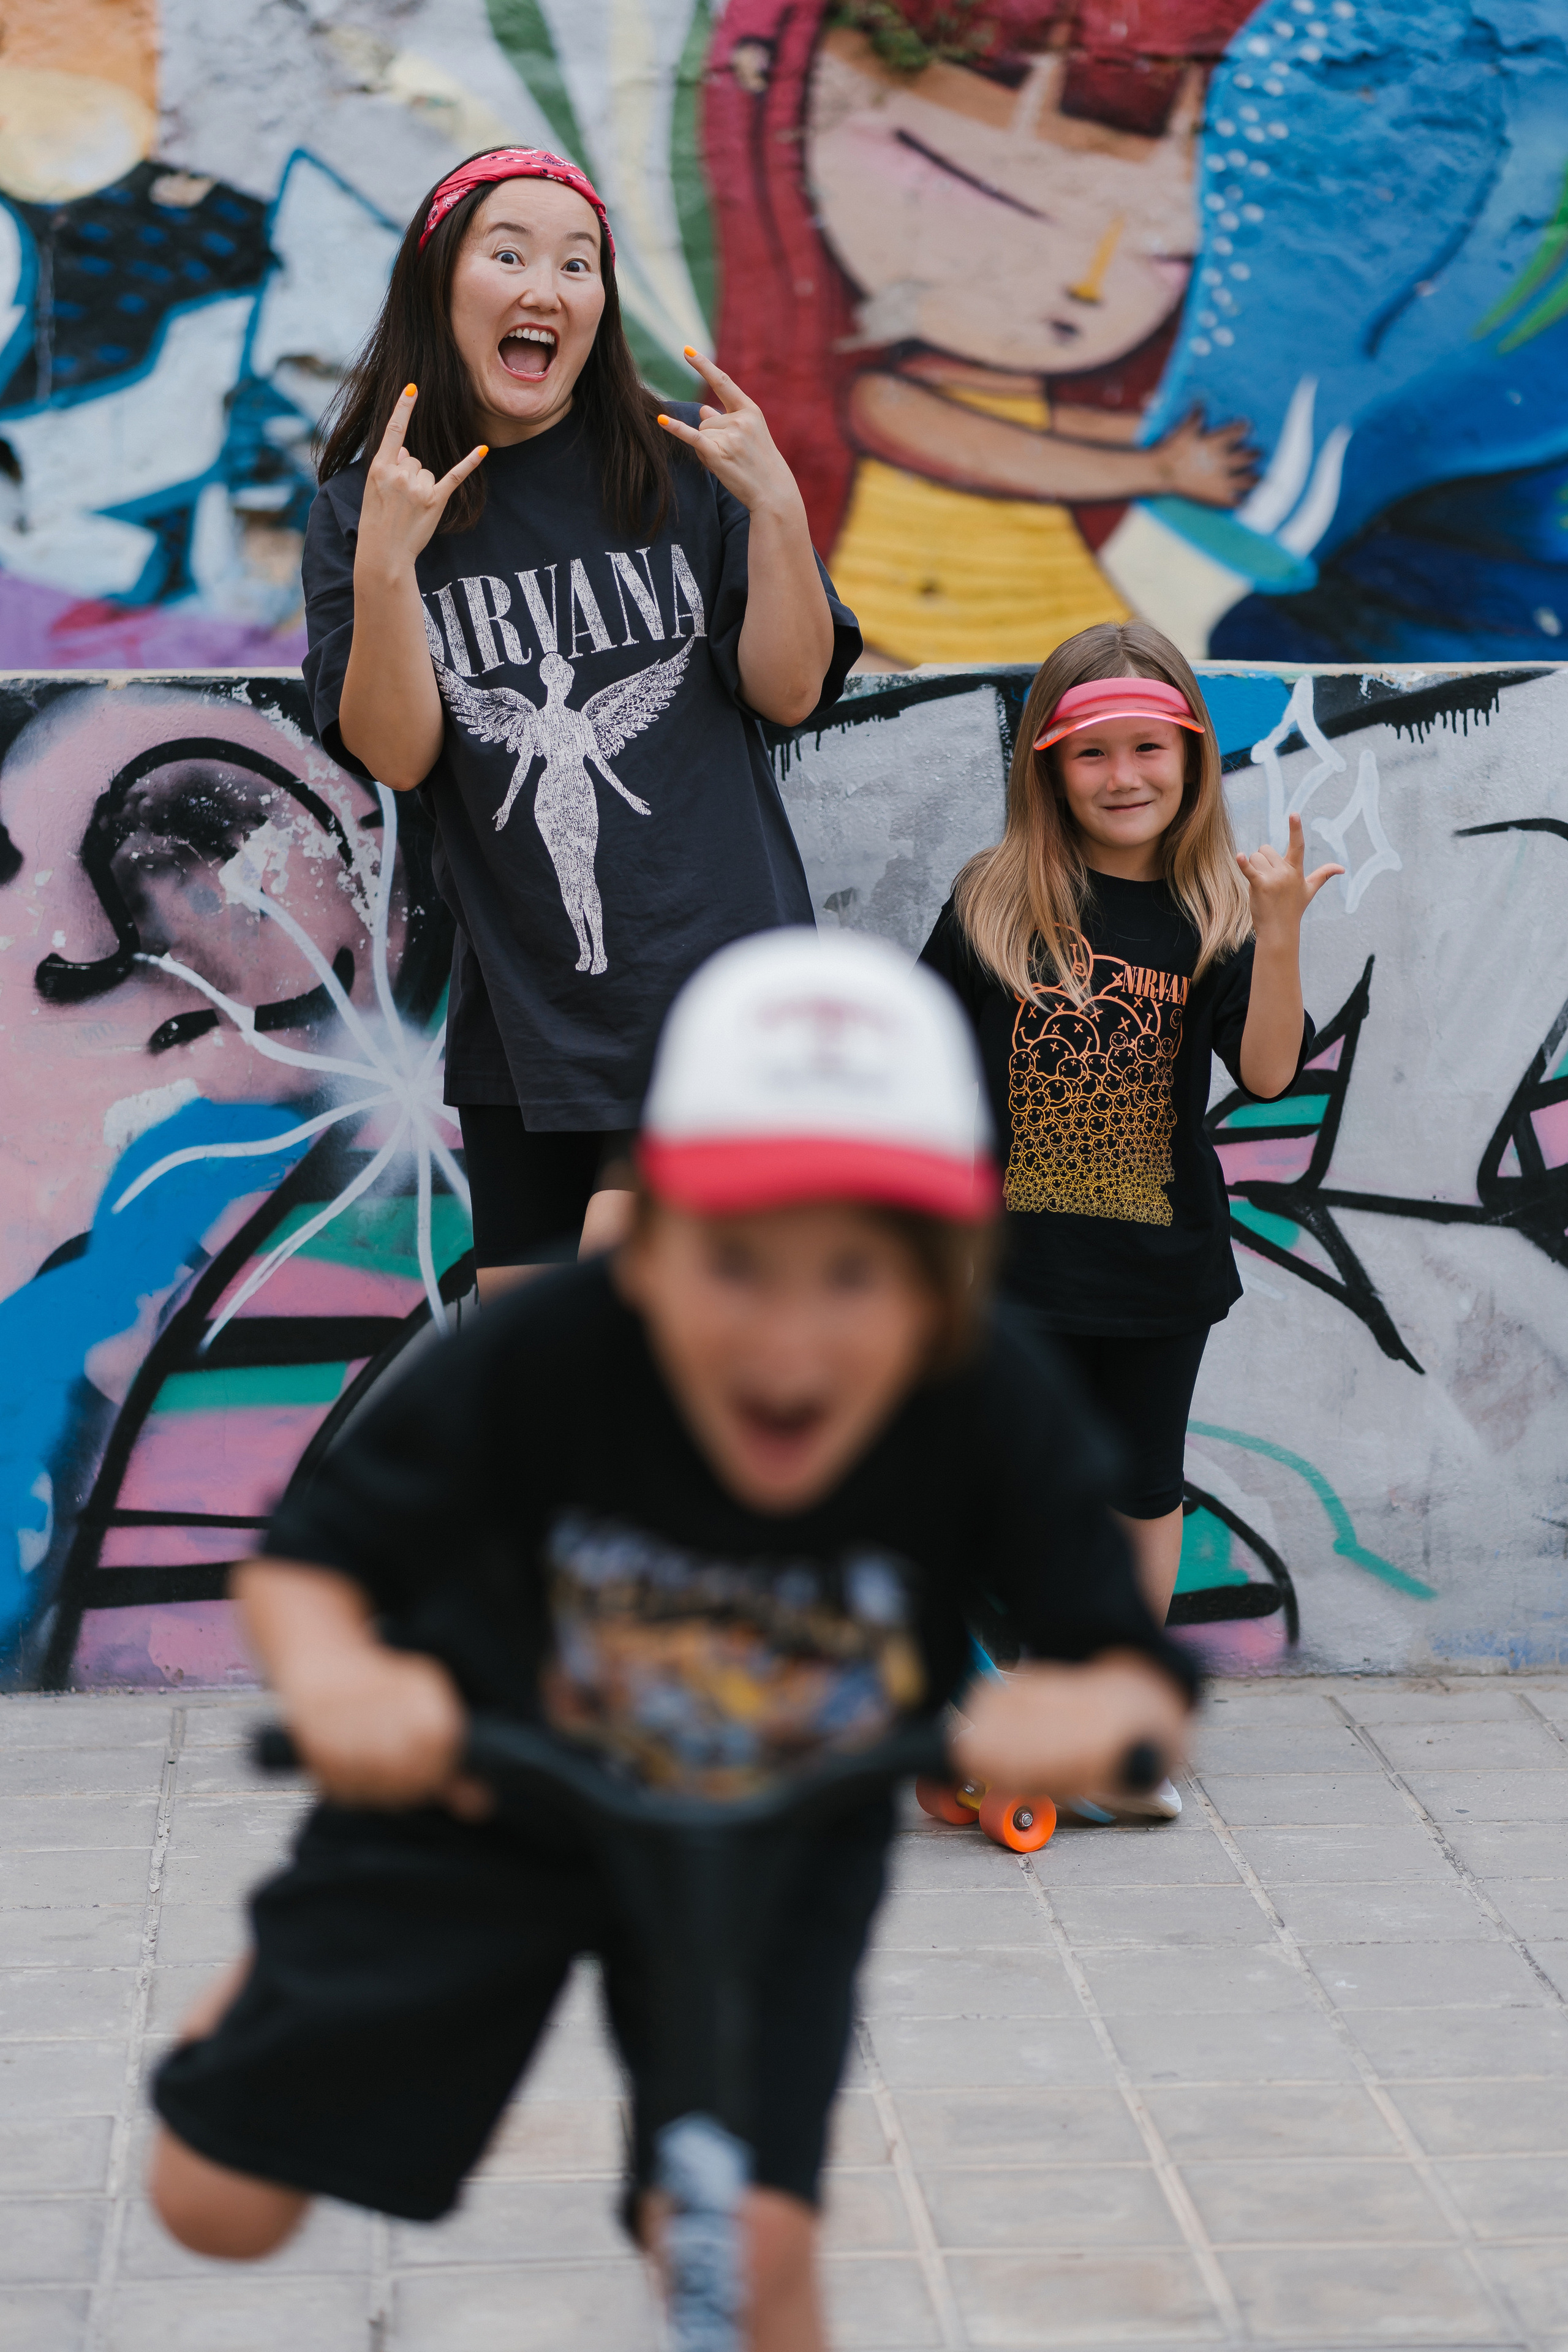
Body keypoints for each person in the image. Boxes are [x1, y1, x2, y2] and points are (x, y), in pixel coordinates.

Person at [147, 927, 1195, 2352]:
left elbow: (1125, 1666)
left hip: (773, 1830)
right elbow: (310, 1569)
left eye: (857, 1278)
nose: (788, 1343)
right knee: (219, 2208)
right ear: (648, 1243)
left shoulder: (983, 1394)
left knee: (744, 2257)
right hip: (481, 1796)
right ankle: (268, 1991)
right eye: (734, 1267)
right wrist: (344, 1678)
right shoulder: (553, 1349)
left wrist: (1081, 1717)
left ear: (952, 1271)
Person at [303, 146, 861, 1298]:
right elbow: (399, 753)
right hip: (525, 1024)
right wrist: (387, 571)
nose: (544, 288)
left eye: (579, 263)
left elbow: (789, 691)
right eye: (508, 254)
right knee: (542, 1416)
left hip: (717, 991)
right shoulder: (367, 508)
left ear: (600, 305)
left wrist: (780, 510)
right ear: (439, 282)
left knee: (609, 1309)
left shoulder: (677, 460)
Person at [921, 619, 1338, 1815]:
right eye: (1092, 754)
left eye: (1147, 750)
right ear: (1049, 771)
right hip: (1011, 1271)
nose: (1123, 777)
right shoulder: (994, 902)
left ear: (1190, 761)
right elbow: (918, 1058)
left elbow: (1263, 1077)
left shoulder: (1209, 908)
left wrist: (1277, 932)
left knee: (1139, 1494)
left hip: (1159, 1271)